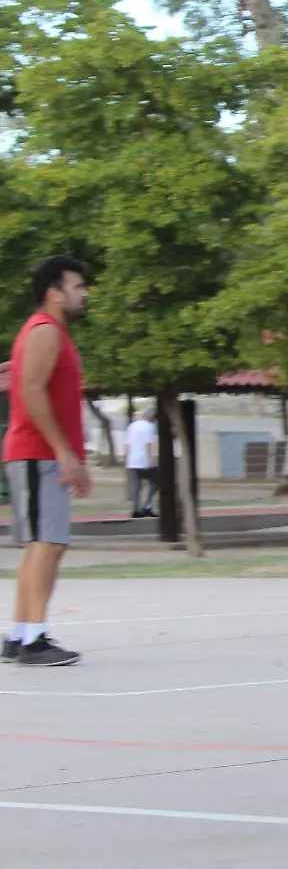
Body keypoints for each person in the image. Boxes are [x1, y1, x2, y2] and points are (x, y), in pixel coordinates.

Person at [3, 256, 93, 667]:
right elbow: (33, 392)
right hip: (37, 453)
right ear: (54, 293)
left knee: (43, 546)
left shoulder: (48, 332)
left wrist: (72, 454)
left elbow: (30, 387)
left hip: (39, 453)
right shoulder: (45, 330)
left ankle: (20, 633)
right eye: (77, 286)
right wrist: (63, 452)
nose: (84, 293)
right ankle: (34, 640)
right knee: (47, 544)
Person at [125, 407, 159, 518]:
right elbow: (148, 444)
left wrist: (128, 459)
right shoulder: (150, 426)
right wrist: (151, 459)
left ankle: (135, 510)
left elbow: (128, 444)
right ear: (152, 417)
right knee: (156, 482)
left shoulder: (132, 426)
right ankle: (147, 506)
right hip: (144, 460)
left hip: (132, 461)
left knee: (136, 486)